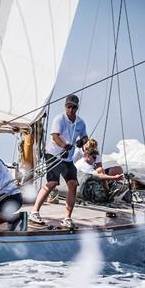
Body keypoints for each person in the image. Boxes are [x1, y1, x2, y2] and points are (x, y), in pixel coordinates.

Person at [30, 94, 88, 229]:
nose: (71, 110)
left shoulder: (80, 123)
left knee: (73, 184)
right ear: (65, 106)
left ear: (77, 108)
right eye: (69, 107)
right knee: (52, 183)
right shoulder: (59, 119)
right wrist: (64, 146)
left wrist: (82, 142)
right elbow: (55, 136)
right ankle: (34, 212)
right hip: (53, 154)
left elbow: (85, 137)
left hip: (67, 158)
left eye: (74, 107)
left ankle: (67, 218)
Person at [75, 138, 125, 203]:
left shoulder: (88, 162)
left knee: (101, 171)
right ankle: (107, 194)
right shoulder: (83, 164)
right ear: (86, 155)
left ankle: (108, 191)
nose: (95, 160)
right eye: (94, 157)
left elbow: (99, 173)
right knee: (98, 176)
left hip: (86, 182)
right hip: (82, 186)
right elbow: (99, 176)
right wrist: (114, 177)